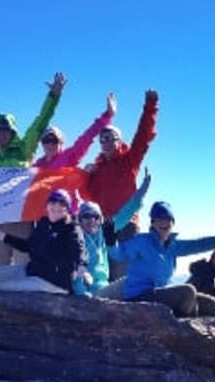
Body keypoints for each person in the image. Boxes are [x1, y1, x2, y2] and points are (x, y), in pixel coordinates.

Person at [0, 72, 66, 266]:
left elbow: (40, 123)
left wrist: (54, 96)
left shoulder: (24, 150)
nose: (2, 134)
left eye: (6, 130)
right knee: (0, 269)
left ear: (13, 132)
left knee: (23, 267)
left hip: (22, 220)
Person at [117, 201, 215, 317]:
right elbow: (118, 254)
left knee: (211, 304)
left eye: (167, 219)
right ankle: (180, 330)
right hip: (139, 297)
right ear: (152, 223)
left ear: (172, 223)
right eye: (159, 219)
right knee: (187, 292)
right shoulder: (142, 241)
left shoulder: (173, 246)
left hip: (159, 295)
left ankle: (185, 324)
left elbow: (200, 244)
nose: (164, 222)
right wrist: (111, 242)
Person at [85, 89, 159, 279]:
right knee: (105, 274)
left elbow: (143, 136)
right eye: (102, 140)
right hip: (104, 228)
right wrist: (85, 176)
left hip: (127, 226)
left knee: (125, 276)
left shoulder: (129, 161)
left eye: (110, 138)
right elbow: (88, 196)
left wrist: (150, 107)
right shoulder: (97, 169)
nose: (106, 142)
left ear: (119, 141)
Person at [0, 189, 87, 294]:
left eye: (62, 203)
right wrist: (1, 236)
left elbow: (78, 248)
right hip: (32, 270)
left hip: (53, 282)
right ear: (47, 206)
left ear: (67, 209)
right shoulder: (43, 224)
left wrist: (81, 265)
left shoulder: (71, 228)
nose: (57, 206)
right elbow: (28, 246)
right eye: (53, 201)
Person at [73, 169, 151, 298]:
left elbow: (126, 213)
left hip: (104, 288)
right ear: (80, 220)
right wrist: (82, 295)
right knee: (131, 283)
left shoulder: (103, 232)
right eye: (86, 216)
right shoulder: (75, 238)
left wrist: (141, 193)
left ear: (100, 220)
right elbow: (75, 269)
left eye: (95, 217)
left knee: (138, 279)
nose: (91, 220)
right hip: (88, 294)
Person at [34, 93, 115, 169]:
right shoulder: (37, 166)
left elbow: (86, 138)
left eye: (54, 140)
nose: (50, 144)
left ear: (61, 143)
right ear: (42, 143)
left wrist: (107, 115)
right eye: (46, 140)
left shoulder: (69, 156)